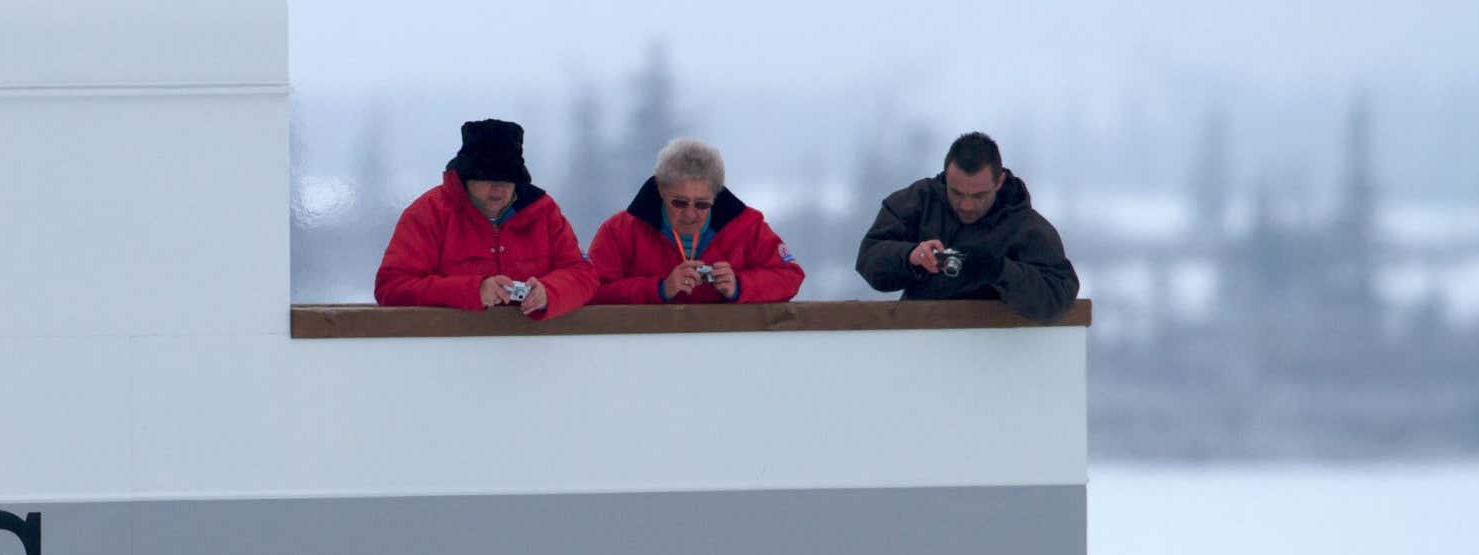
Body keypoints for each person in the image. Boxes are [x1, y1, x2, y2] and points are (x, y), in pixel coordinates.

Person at [375, 119, 597, 322]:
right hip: (449, 348)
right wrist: (474, 291)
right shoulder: (428, 214)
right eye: (489, 178)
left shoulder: (544, 212)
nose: (499, 188)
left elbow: (584, 275)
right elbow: (391, 287)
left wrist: (548, 293)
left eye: (508, 180)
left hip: (533, 349)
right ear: (467, 177)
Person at [857, 132, 1080, 323]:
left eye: (979, 196)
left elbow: (1059, 295)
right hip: (918, 345)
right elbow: (869, 258)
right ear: (946, 177)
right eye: (956, 192)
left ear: (999, 182)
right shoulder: (918, 202)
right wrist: (910, 257)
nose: (966, 205)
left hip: (999, 352)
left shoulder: (1027, 228)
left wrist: (999, 271)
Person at [589, 139, 804, 306]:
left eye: (702, 204)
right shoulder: (620, 231)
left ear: (715, 196)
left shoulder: (748, 227)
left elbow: (790, 276)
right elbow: (591, 289)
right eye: (679, 203)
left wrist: (739, 285)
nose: (690, 214)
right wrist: (660, 288)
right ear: (661, 191)